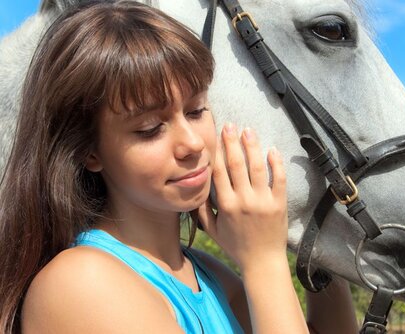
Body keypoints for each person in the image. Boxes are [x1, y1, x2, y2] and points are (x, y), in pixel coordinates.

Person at [0, 1, 358, 333]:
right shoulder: (79, 283)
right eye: (149, 129)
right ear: (90, 152)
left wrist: (316, 235)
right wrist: (264, 260)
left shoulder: (206, 273)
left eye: (196, 110)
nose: (192, 143)